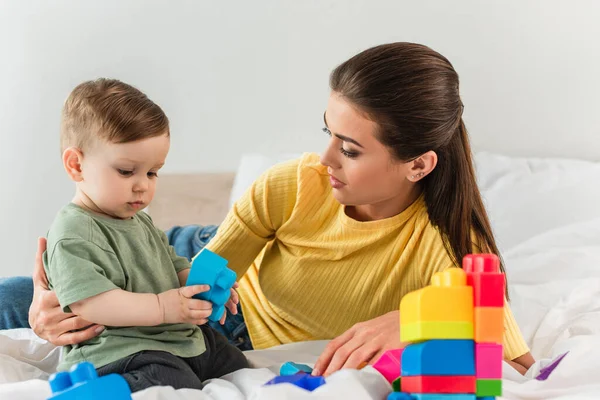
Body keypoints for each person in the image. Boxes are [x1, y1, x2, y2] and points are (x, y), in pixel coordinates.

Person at [1, 42, 534, 377]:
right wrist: (59, 304)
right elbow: (197, 276)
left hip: (220, 319)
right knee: (20, 301)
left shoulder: (450, 249)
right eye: (329, 133)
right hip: (201, 274)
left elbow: (517, 366)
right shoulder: (296, 183)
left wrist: (412, 321)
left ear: (418, 166)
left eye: (349, 149)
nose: (323, 158)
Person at [31, 78, 248, 392]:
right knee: (171, 382)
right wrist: (163, 307)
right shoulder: (73, 232)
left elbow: (172, 267)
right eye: (126, 171)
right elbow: (90, 304)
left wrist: (206, 285)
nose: (143, 185)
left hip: (173, 338)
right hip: (122, 350)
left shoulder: (139, 221)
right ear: (76, 165)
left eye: (152, 172)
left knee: (235, 363)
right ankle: (99, 391)